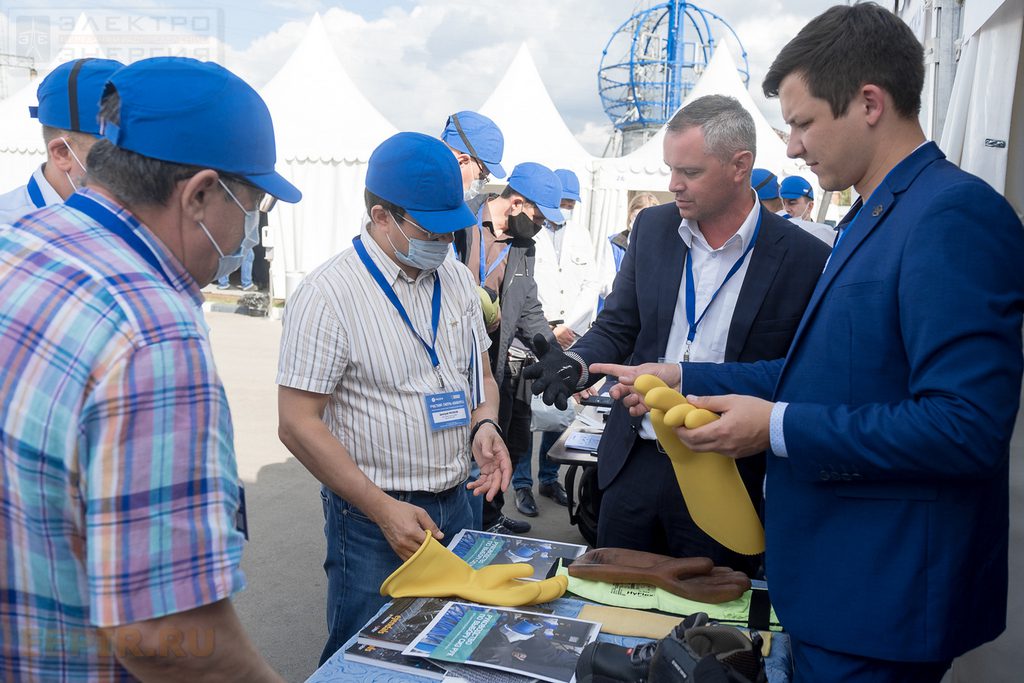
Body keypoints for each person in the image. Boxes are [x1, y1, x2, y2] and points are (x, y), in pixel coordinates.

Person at [595, 4, 1024, 681]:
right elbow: (822, 373)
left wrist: (779, 427)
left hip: (881, 600)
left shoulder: (951, 216)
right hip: (841, 592)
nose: (791, 147)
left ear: (869, 103)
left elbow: (965, 425)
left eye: (801, 122)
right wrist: (686, 375)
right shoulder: (874, 214)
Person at [0, 56, 299, 681]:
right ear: (199, 195)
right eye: (253, 205)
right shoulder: (153, 334)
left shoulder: (20, 244)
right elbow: (163, 634)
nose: (249, 228)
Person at [524, 94, 831, 576]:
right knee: (612, 608)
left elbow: (795, 375)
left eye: (689, 172)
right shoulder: (653, 227)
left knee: (707, 628)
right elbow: (620, 324)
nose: (673, 185)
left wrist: (685, 378)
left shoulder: (803, 258)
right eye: (670, 170)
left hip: (726, 471)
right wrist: (578, 361)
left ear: (739, 166)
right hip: (634, 459)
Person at [276, 131, 512, 664]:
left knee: (449, 648)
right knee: (367, 656)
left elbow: (480, 380)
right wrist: (382, 510)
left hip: (459, 503)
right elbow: (297, 423)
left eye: (453, 230)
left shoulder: (452, 278)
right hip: (371, 521)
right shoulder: (328, 295)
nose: (447, 242)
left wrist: (486, 426)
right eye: (431, 230)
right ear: (381, 217)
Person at [458, 162, 563, 533]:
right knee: (459, 455)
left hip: (494, 364)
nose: (540, 227)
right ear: (516, 202)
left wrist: (555, 356)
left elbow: (529, 307)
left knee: (497, 447)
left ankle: (489, 521)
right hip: (451, 364)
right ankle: (461, 532)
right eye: (538, 217)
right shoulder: (461, 223)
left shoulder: (523, 246)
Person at [517, 168, 604, 516]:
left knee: (559, 408)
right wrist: (550, 328)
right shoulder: (529, 230)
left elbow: (591, 283)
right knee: (525, 411)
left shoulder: (580, 233)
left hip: (571, 330)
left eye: (570, 203)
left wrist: (569, 325)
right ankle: (522, 485)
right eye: (562, 202)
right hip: (536, 331)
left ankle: (549, 478)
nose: (566, 209)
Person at [0, 57, 123, 224]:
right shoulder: (7, 229)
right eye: (117, 153)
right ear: (63, 153)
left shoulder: (134, 217)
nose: (134, 164)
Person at [609, 192, 659, 273]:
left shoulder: (661, 246)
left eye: (648, 219)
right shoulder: (614, 243)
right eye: (637, 216)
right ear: (630, 215)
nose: (641, 223)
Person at [779, 175, 835, 245]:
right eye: (783, 203)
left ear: (810, 206)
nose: (786, 209)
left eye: (792, 203)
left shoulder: (823, 236)